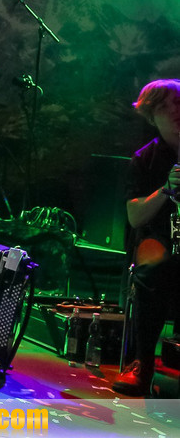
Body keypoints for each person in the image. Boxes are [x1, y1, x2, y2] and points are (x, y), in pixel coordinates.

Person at [112, 78, 180, 396]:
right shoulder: (145, 158)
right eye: (164, 106)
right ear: (152, 116)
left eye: (178, 102)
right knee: (153, 266)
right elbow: (135, 216)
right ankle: (142, 363)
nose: (175, 109)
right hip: (160, 240)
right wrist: (167, 190)